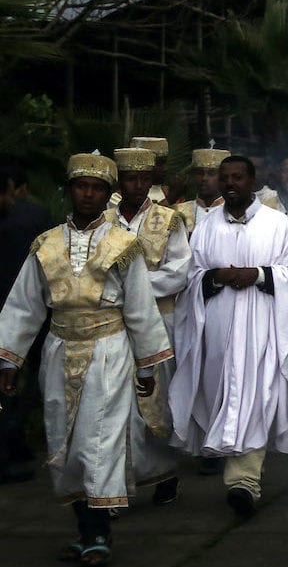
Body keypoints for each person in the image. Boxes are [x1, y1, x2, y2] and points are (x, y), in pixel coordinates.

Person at [0, 153, 172, 565]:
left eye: (96, 188)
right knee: (62, 441)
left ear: (106, 194)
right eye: (81, 186)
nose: (88, 193)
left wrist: (146, 365)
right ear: (70, 191)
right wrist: (10, 360)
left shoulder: (123, 244)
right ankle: (83, 528)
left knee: (100, 442)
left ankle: (99, 533)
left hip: (109, 351)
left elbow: (140, 308)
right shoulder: (46, 244)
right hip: (59, 350)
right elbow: (24, 305)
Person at [169, 155, 288, 519]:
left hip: (263, 327)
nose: (231, 183)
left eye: (238, 177)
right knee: (225, 395)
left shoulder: (278, 225)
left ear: (253, 182)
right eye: (225, 178)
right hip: (217, 330)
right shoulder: (205, 228)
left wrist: (262, 275)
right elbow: (191, 276)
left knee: (257, 395)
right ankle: (240, 473)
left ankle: (244, 483)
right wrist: (215, 276)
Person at [107, 147, 191, 506]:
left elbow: (179, 271)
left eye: (144, 178)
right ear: (120, 181)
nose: (138, 185)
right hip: (111, 323)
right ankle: (115, 482)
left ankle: (164, 471)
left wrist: (134, 289)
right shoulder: (105, 220)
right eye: (130, 178)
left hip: (158, 320)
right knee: (114, 402)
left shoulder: (168, 219)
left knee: (155, 399)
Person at [0, 155, 53, 484]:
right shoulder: (33, 216)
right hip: (32, 312)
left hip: (19, 312)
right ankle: (14, 436)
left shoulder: (20, 218)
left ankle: (14, 442)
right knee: (35, 378)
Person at [174, 147, 231, 234]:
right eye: (200, 173)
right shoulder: (179, 211)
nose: (204, 178)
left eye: (211, 173)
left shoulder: (234, 212)